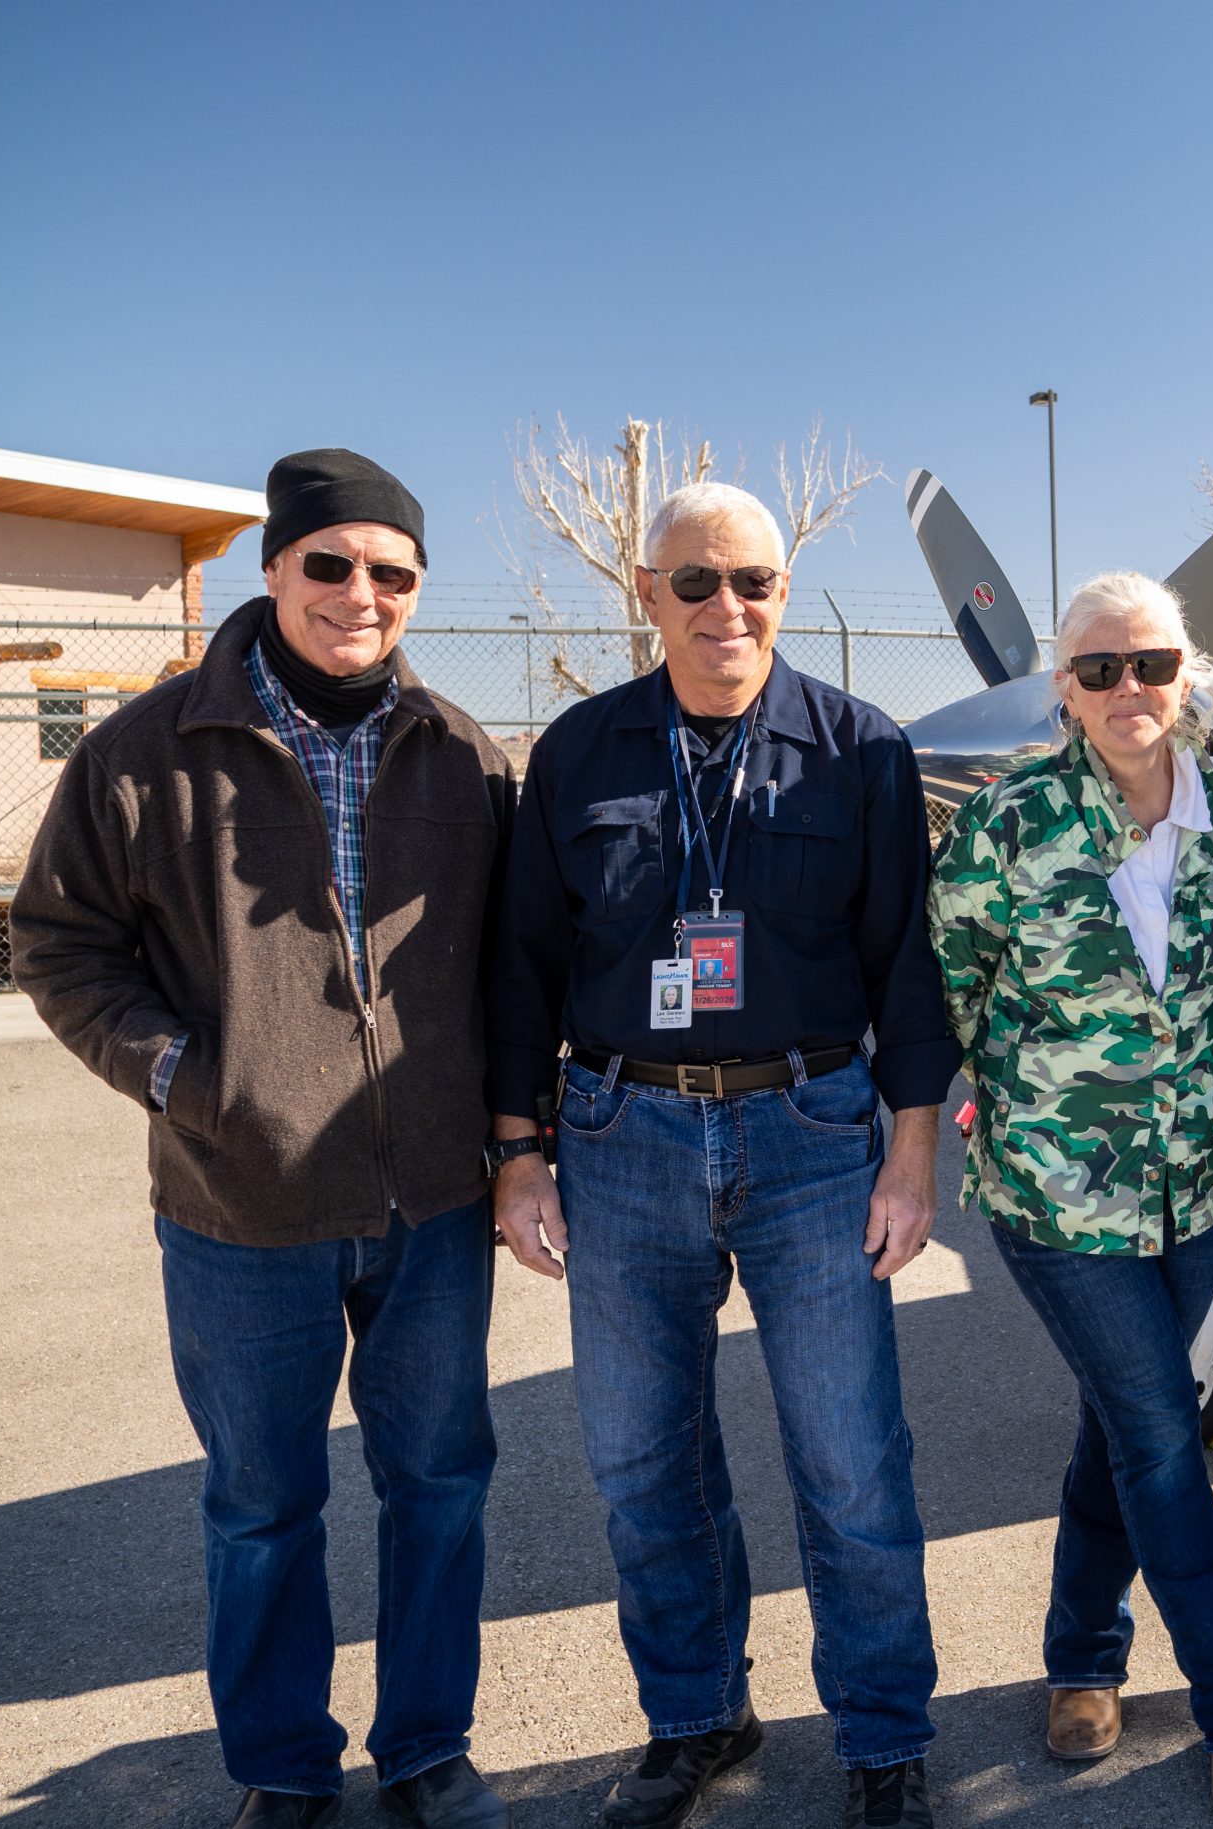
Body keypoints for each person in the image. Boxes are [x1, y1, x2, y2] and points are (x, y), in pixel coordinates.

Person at [11, 450, 514, 1829]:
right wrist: (182, 1072)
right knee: (259, 1505)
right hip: (238, 1211)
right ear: (275, 570)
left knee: (442, 1486)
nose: (364, 595)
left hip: (432, 1207)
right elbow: (60, 944)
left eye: (394, 574)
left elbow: (513, 966)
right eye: (333, 565)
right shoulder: (141, 753)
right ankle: (283, 1766)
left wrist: (506, 1135)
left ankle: (426, 1749)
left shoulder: (464, 754)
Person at [486, 482, 954, 1829]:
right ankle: (697, 1716)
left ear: (785, 594)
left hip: (810, 1130)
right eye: (694, 582)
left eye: (751, 579)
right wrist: (519, 1153)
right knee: (644, 1457)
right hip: (619, 1133)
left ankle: (882, 1737)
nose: (725, 607)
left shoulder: (858, 748)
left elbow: (907, 973)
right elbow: (521, 968)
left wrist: (908, 1155)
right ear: (648, 596)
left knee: (852, 1456)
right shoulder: (577, 755)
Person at [927, 571, 1213, 1824]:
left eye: (1149, 663)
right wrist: (1013, 1101)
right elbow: (954, 984)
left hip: (1192, 1182)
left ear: (1185, 675)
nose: (1126, 687)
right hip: (1056, 1190)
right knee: (1156, 1430)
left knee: (1118, 1422)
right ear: (1064, 690)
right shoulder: (1008, 821)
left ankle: (1082, 1652)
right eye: (1098, 668)